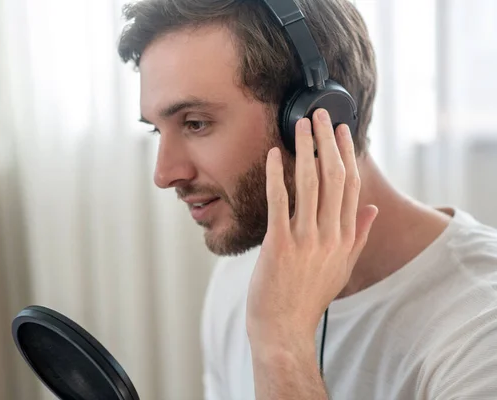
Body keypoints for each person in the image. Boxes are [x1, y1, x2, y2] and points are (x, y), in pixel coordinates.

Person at [117, 0, 497, 399]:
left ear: (319, 117)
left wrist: (282, 345)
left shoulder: (480, 330)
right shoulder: (245, 273)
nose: (164, 174)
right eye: (158, 131)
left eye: (196, 123)